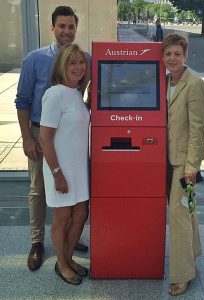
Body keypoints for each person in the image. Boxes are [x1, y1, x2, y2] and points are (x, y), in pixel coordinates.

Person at [15, 6, 88, 272]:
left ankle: (68, 242)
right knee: (38, 189)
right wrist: (26, 137)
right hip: (39, 132)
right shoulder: (34, 59)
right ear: (53, 28)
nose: (67, 31)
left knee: (69, 200)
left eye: (71, 26)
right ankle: (37, 242)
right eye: (62, 26)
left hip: (68, 135)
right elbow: (22, 100)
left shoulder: (83, 58)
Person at [39, 43, 90, 285]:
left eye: (81, 62)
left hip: (78, 169)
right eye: (72, 63)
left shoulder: (76, 92)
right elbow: (44, 138)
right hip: (60, 169)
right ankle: (61, 264)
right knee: (63, 218)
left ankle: (68, 259)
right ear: (62, 65)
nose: (78, 67)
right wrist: (57, 173)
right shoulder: (55, 94)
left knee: (81, 213)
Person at [162, 33, 204, 296]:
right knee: (188, 209)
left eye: (177, 54)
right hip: (167, 160)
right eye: (168, 54)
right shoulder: (165, 81)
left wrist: (192, 166)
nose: (172, 58)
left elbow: (197, 130)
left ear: (186, 55)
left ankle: (182, 274)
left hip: (184, 164)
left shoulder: (195, 84)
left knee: (178, 215)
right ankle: (193, 254)